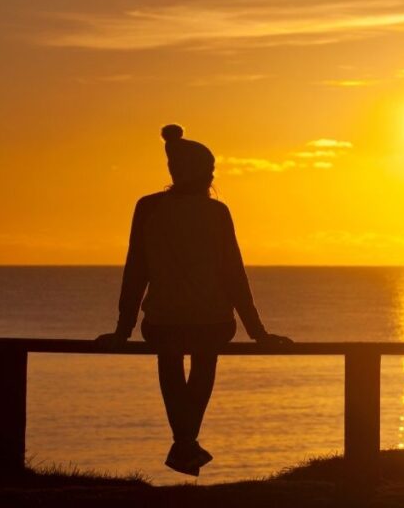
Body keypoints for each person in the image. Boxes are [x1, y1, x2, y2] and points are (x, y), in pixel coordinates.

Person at [97, 124, 292, 476]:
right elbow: (234, 277)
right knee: (204, 361)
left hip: (162, 323)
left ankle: (184, 443)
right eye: (210, 169)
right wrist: (257, 332)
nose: (214, 175)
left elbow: (135, 273)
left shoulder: (148, 208)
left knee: (169, 362)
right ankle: (186, 443)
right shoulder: (217, 213)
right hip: (213, 322)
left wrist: (122, 331)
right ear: (198, 171)